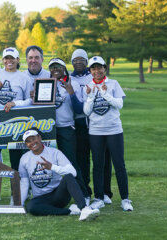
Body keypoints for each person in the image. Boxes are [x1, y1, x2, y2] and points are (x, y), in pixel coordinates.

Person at [83, 56, 133, 211]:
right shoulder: (89, 86)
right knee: (97, 165)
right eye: (93, 68)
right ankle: (99, 198)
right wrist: (91, 96)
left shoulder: (113, 84)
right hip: (96, 131)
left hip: (114, 129)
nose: (96, 71)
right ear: (90, 71)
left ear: (104, 68)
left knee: (119, 164)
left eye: (99, 67)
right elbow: (86, 111)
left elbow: (119, 104)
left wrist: (105, 94)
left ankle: (125, 199)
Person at [18, 128, 99, 221]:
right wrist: (20, 203)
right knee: (31, 207)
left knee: (68, 177)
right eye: (28, 141)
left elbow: (73, 172)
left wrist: (52, 167)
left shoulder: (55, 152)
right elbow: (24, 182)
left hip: (59, 194)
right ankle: (70, 211)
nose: (32, 143)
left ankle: (84, 209)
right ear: (26, 145)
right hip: (41, 198)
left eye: (33, 139)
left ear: (39, 138)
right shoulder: (24, 158)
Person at [70, 49, 113, 205]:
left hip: (97, 123)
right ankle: (86, 191)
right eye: (75, 59)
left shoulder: (93, 76)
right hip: (79, 124)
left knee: (102, 159)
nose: (79, 62)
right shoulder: (68, 78)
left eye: (82, 59)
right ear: (72, 62)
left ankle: (105, 192)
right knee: (82, 160)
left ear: (87, 62)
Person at [0, 47, 32, 172]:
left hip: (15, 123)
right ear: (3, 60)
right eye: (6, 58)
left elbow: (30, 100)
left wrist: (15, 103)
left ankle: (17, 191)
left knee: (16, 160)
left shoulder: (24, 77)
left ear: (18, 60)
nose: (9, 61)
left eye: (12, 58)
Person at [47, 58, 89, 200]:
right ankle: (52, 193)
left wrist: (71, 92)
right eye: (52, 67)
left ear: (64, 67)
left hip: (66, 128)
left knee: (71, 161)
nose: (55, 69)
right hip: (49, 129)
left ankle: (84, 194)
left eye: (58, 66)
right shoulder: (45, 83)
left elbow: (79, 110)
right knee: (50, 162)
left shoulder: (73, 83)